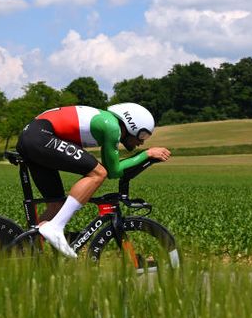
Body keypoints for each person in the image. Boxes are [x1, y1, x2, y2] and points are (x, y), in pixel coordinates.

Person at [14, 102, 171, 257]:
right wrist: (146, 154)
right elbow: (113, 171)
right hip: (40, 137)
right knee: (98, 173)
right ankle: (55, 227)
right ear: (132, 125)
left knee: (56, 205)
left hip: (34, 137)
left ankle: (23, 252)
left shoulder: (105, 121)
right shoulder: (112, 127)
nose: (141, 142)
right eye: (142, 135)